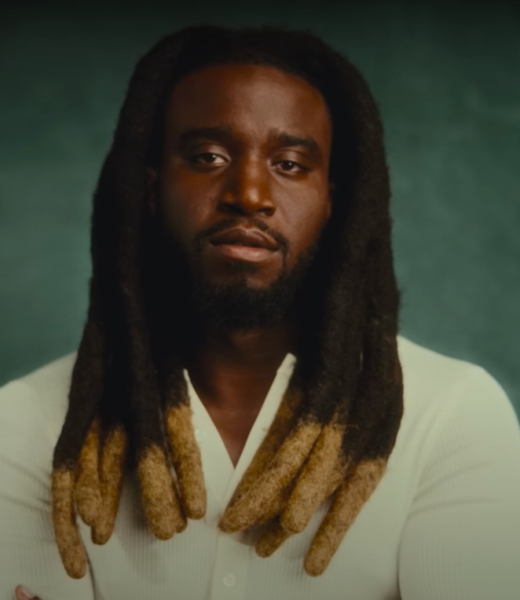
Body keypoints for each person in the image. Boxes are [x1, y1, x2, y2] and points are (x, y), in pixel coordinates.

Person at [1, 25, 520, 600]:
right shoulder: (24, 425)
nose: (248, 194)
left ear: (332, 201)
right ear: (151, 189)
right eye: (209, 156)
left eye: (290, 164)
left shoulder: (452, 418)